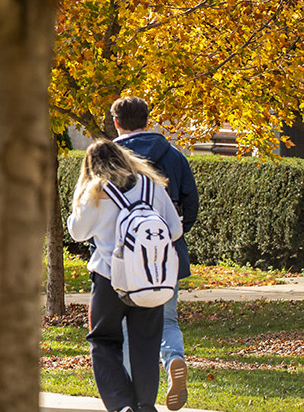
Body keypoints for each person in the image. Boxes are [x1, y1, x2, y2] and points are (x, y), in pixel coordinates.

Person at [68, 141, 183, 412]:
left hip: (109, 278)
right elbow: (175, 230)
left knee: (103, 340)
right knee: (146, 342)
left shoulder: (95, 192)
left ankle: (121, 404)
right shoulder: (151, 185)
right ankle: (144, 405)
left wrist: (80, 193)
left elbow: (77, 232)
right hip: (148, 276)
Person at [110, 96, 198, 411]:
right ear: (149, 120)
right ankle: (174, 358)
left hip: (122, 258)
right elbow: (191, 203)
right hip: (165, 254)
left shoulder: (111, 159)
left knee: (124, 326)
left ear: (116, 122)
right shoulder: (173, 156)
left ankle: (131, 401)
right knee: (168, 319)